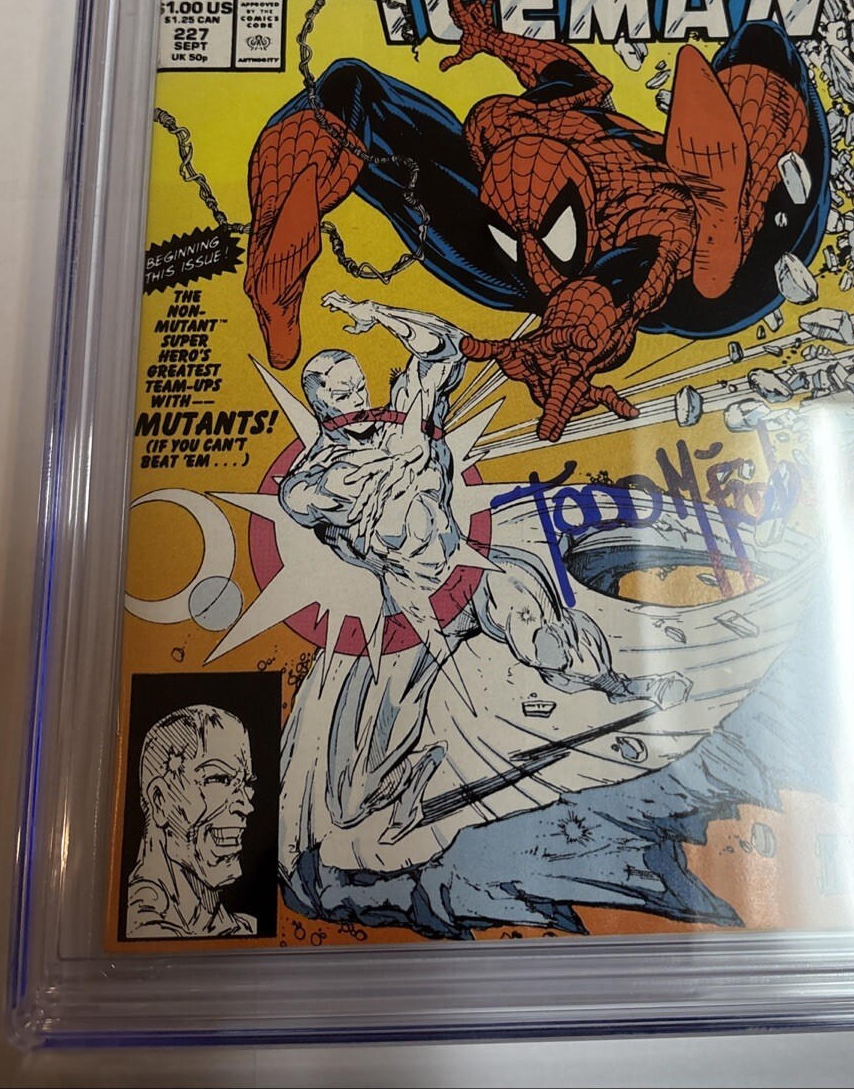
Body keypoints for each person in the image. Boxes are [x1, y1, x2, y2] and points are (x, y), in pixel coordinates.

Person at [279, 293, 687, 875]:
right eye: (340, 396)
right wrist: (384, 466)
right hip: (416, 609)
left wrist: (383, 314)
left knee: (545, 638)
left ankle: (623, 687)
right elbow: (307, 500)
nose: (355, 401)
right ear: (320, 407)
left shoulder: (407, 416)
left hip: (470, 572)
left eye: (357, 387)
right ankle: (404, 782)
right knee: (350, 795)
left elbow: (445, 347)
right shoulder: (314, 476)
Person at [126, 704, 256, 938]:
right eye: (219, 779)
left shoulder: (245, 929)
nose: (246, 805)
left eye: (246, 784)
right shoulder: (143, 929)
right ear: (160, 800)